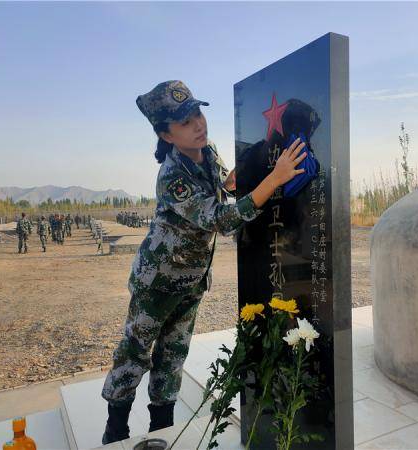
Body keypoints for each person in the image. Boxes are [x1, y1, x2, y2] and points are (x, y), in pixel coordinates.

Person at [100, 80, 306, 444]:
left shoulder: (207, 151)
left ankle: (161, 428)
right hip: (158, 281)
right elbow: (218, 220)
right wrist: (274, 179)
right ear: (165, 134)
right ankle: (115, 429)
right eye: (184, 121)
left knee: (173, 354)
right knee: (135, 353)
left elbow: (222, 186)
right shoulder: (172, 175)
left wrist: (239, 175)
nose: (198, 124)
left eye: (198, 113)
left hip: (192, 279)